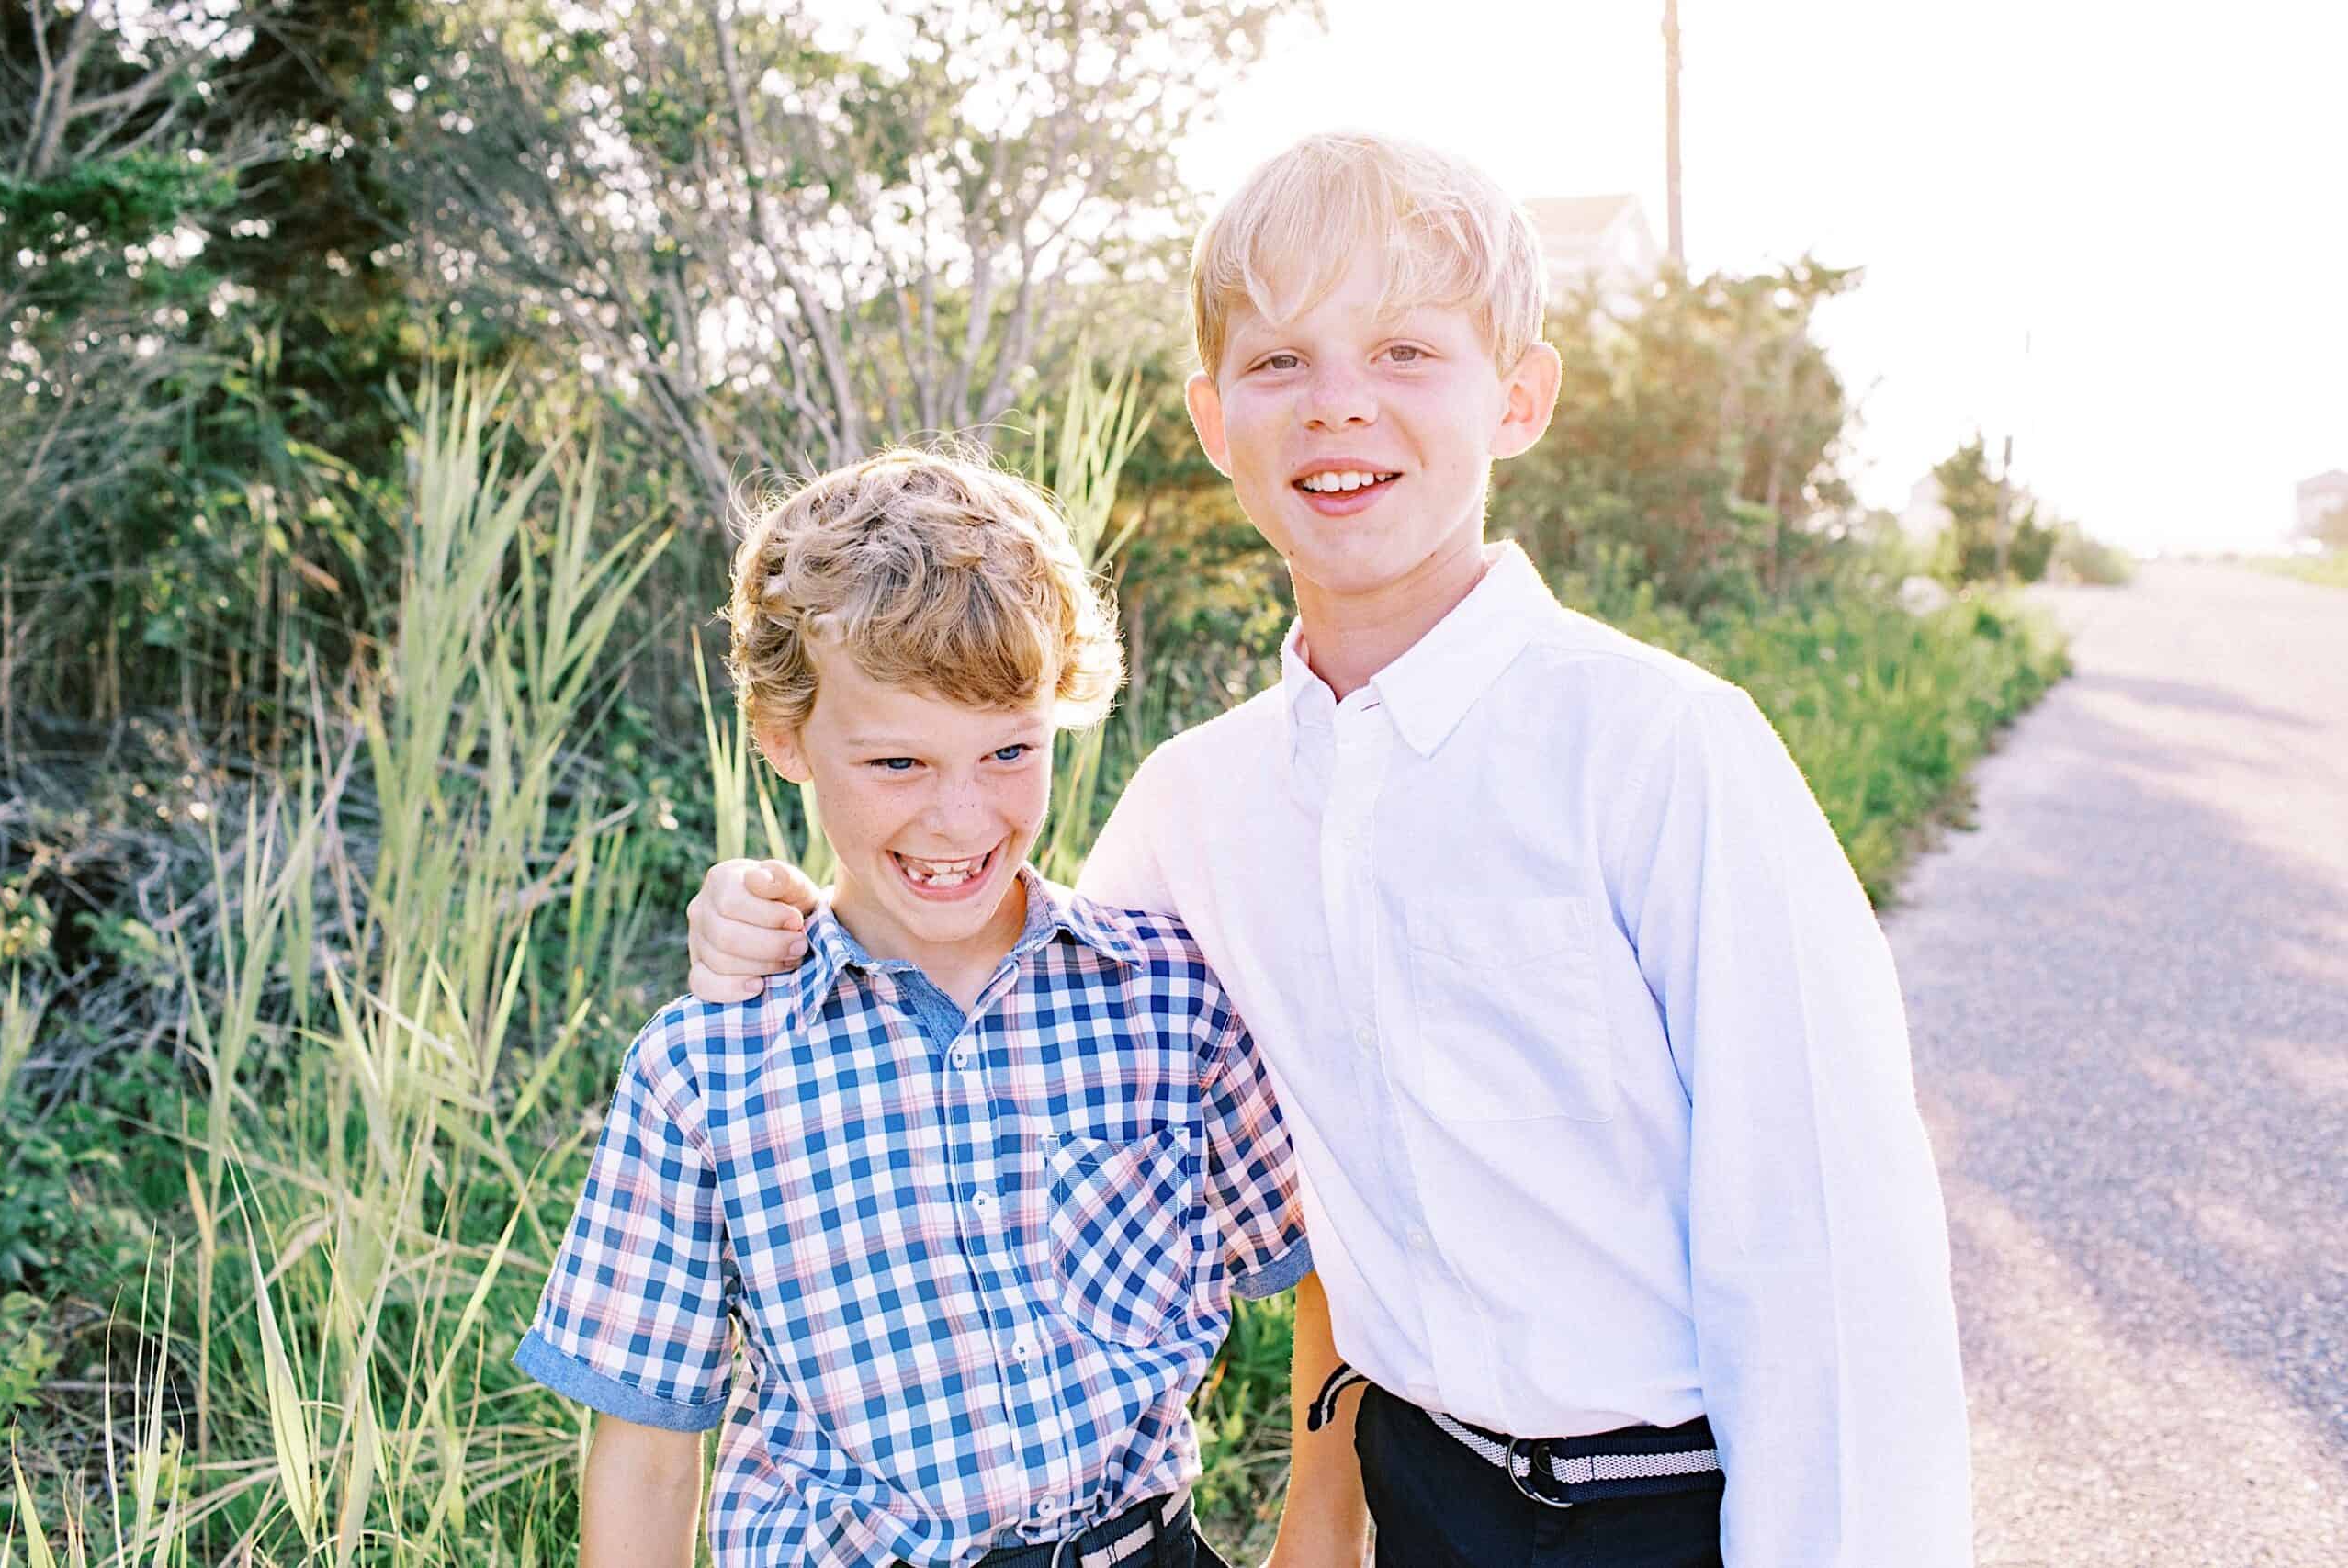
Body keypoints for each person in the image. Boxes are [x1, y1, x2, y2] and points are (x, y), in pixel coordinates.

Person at [683, 132, 1972, 1567]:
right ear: (1213, 416)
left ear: (1521, 396)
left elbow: (1835, 1259)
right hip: (1416, 1487)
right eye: (1280, 362)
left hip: (1669, 1503)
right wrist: (770, 910)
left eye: (1408, 351)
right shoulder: (1201, 798)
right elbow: (1006, 985)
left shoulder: (1663, 749)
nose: (1339, 405)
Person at [515, 447, 1309, 1567]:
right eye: (896, 761)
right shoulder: (707, 1070)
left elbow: (1329, 1284)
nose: (958, 817)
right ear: (785, 739)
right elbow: (647, 1450)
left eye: (1007, 751)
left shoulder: (1168, 999)